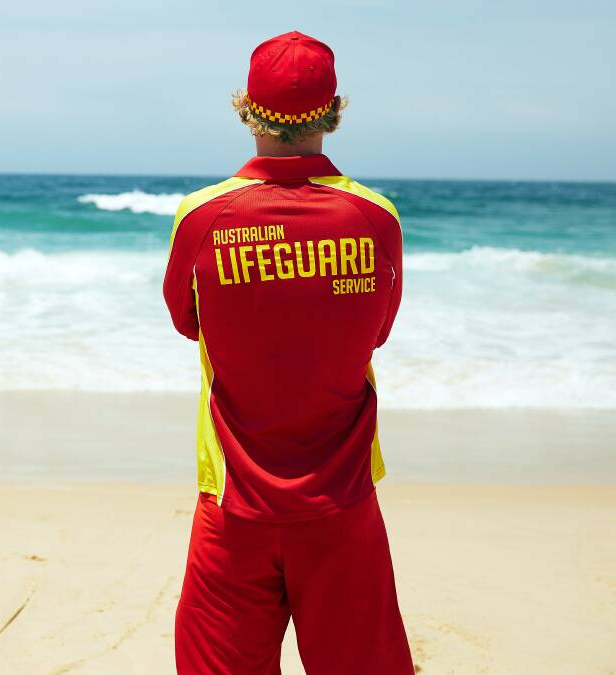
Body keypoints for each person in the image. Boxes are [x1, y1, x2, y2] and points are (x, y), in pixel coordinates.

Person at [163, 32, 413, 673]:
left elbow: (187, 324)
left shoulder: (203, 217)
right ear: (335, 109)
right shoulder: (375, 217)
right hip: (342, 500)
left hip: (234, 504)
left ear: (246, 106)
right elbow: (377, 330)